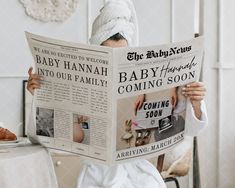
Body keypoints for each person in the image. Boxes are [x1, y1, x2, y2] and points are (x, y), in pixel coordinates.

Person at [27, 0, 207, 187]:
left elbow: (193, 129)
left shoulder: (146, 84)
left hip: (139, 174)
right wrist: (38, 97)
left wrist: (196, 102)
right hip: (95, 175)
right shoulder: (80, 85)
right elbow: (40, 137)